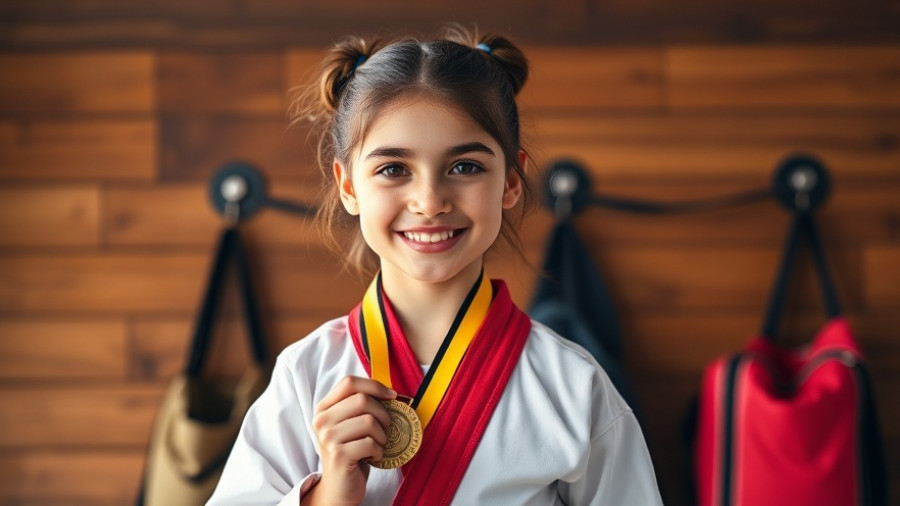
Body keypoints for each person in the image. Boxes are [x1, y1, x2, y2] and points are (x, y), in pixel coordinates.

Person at [206, 26, 663, 506]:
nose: (429, 201)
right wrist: (330, 494)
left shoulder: (572, 385)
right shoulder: (307, 376)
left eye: (465, 167)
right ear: (348, 186)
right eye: (393, 169)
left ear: (510, 182)